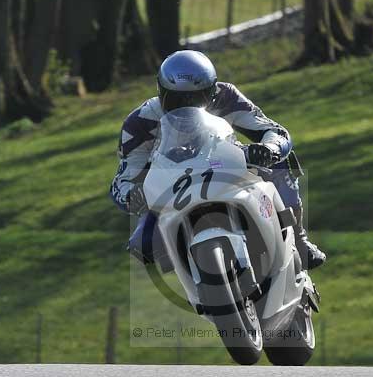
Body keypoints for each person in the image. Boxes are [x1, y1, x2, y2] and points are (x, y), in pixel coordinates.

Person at [109, 50, 326, 270]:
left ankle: (299, 239)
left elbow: (274, 131)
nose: (186, 106)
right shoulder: (140, 122)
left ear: (212, 91)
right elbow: (123, 178)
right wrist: (131, 195)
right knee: (142, 245)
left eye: (195, 98)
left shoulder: (227, 97)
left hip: (226, 168)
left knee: (282, 160)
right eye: (176, 99)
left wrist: (267, 149)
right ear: (161, 91)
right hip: (173, 188)